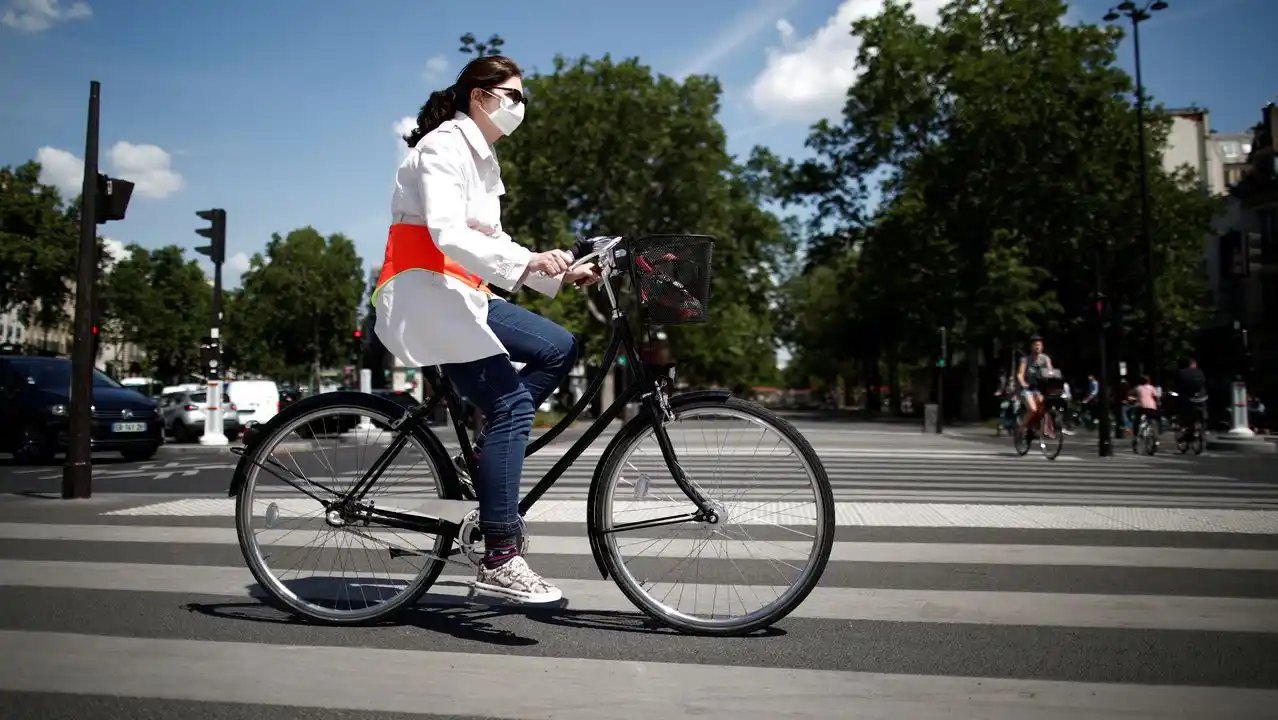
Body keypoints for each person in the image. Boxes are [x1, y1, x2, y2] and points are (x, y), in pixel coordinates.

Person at [372, 55, 602, 604]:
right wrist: (527, 261)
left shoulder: (484, 160)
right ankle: (500, 554)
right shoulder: (444, 146)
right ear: (480, 95)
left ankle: (486, 456)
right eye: (514, 95)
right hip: (423, 293)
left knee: (558, 347)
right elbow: (449, 233)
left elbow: (490, 248)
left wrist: (562, 271)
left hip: (463, 294)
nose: (521, 107)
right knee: (513, 408)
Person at [1016, 335, 1054, 436]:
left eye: (1039, 345)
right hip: (1028, 389)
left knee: (1044, 407)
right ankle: (1021, 428)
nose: (1037, 347)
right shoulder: (1025, 360)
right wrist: (1023, 383)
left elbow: (1050, 372)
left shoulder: (1045, 359)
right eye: (1035, 345)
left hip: (1039, 389)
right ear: (1031, 347)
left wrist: (1051, 377)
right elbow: (1020, 374)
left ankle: (1043, 428)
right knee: (1032, 409)